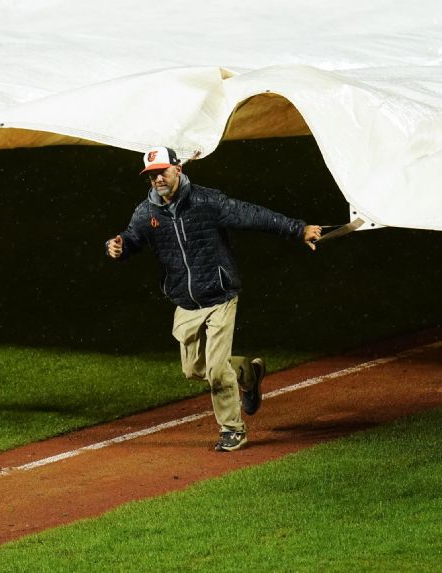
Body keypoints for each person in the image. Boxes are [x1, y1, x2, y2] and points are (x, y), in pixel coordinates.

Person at [106, 146, 321, 452]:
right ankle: (249, 372)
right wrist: (117, 247)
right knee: (194, 370)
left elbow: (252, 214)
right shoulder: (146, 212)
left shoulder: (207, 201)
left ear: (178, 170)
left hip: (220, 296)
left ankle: (232, 429)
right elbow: (130, 238)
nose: (158, 180)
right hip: (185, 302)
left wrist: (297, 230)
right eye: (152, 175)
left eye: (163, 172)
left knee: (217, 370)